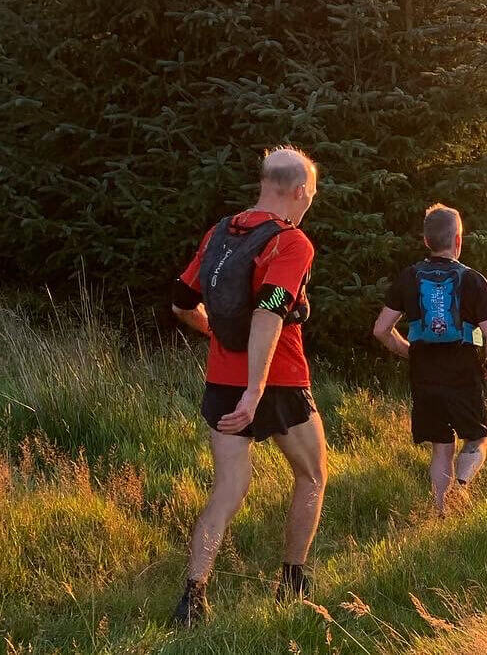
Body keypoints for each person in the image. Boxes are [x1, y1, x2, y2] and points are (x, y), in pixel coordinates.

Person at [168, 146, 326, 627]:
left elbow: (180, 301)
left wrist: (214, 334)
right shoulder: (291, 242)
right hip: (277, 383)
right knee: (313, 476)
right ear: (298, 191)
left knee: (228, 491)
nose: (308, 204)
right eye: (311, 196)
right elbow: (269, 309)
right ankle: (292, 580)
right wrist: (255, 391)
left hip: (221, 379)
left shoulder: (221, 232)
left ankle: (192, 598)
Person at [373, 204, 487, 517]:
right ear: (457, 240)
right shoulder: (473, 280)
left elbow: (381, 330)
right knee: (477, 438)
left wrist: (410, 352)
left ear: (426, 241)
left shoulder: (408, 277)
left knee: (441, 445)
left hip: (424, 373)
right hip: (464, 370)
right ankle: (461, 486)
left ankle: (442, 511)